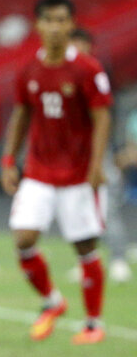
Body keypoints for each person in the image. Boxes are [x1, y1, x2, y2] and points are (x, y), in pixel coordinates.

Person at [0, 0, 112, 345]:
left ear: (70, 24)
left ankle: (93, 322)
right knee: (23, 238)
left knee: (84, 247)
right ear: (38, 25)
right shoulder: (29, 70)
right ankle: (53, 301)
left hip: (78, 175)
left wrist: (96, 165)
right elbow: (21, 114)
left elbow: (102, 116)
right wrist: (8, 159)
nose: (55, 27)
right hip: (38, 172)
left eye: (62, 20)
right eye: (48, 20)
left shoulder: (88, 69)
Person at [69, 28, 130, 283]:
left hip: (99, 152)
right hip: (74, 154)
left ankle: (118, 258)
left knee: (108, 206)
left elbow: (108, 115)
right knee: (78, 209)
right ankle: (86, 260)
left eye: (80, 43)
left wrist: (111, 151)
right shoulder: (62, 74)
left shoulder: (97, 73)